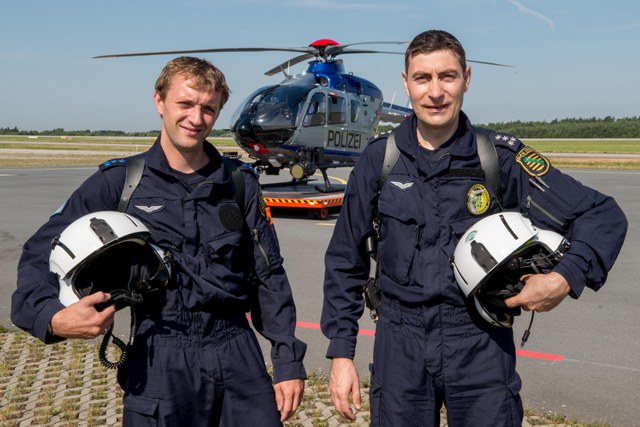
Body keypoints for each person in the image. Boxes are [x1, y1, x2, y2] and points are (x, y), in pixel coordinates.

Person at [321, 30, 627, 426]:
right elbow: (346, 260)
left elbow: (603, 215)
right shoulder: (379, 161)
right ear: (405, 83)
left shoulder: (499, 159)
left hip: (480, 343)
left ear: (466, 78)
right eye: (422, 78)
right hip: (400, 346)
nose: (435, 92)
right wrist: (341, 354)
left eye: (447, 76)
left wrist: (563, 279)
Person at [12, 56, 306, 426]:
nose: (196, 119)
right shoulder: (119, 183)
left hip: (236, 352)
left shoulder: (239, 183)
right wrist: (52, 318)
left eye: (208, 109)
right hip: (159, 357)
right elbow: (41, 253)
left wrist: (287, 360)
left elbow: (270, 276)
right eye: (185, 104)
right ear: (159, 102)